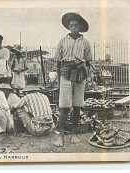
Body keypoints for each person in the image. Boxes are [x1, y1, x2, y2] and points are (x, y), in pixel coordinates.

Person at [54, 12, 92, 147]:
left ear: (80, 27)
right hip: (65, 73)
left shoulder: (85, 43)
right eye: (71, 25)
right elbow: (58, 62)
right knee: (64, 107)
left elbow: (88, 61)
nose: (74, 27)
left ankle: (74, 134)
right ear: (68, 27)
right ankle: (61, 136)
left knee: (77, 106)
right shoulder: (63, 41)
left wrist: (83, 68)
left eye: (76, 25)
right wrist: (59, 78)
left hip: (80, 75)